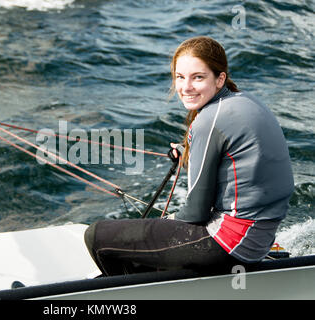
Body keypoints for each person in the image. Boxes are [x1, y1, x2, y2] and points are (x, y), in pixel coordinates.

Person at [84, 36, 294, 276]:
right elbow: (240, 163)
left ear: (220, 79)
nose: (186, 87)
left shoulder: (208, 121)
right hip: (259, 240)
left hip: (229, 246)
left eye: (198, 77)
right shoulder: (247, 101)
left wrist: (162, 224)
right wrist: (189, 153)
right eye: (180, 77)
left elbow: (195, 214)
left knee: (97, 236)